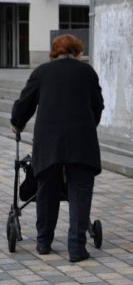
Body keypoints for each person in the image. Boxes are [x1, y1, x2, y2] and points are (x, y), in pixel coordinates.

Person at [12, 38, 105, 260]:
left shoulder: (41, 72)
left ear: (53, 52)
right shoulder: (87, 72)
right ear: (78, 51)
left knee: (47, 190)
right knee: (80, 192)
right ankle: (76, 247)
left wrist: (18, 122)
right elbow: (98, 106)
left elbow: (24, 104)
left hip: (48, 143)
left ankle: (44, 242)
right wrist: (88, 125)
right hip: (82, 142)